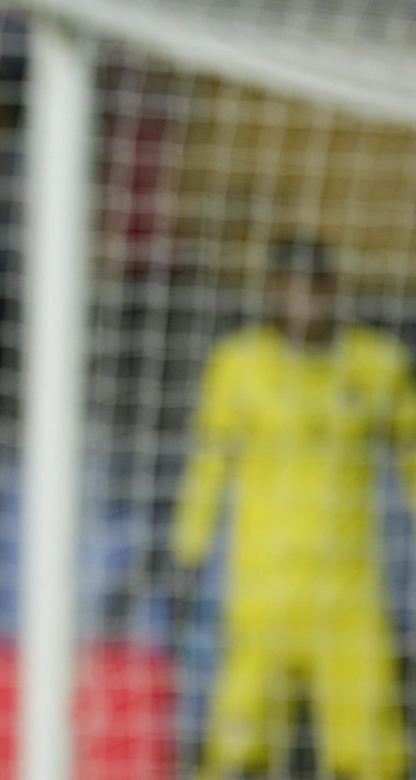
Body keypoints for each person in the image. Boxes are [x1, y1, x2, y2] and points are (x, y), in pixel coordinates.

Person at [172, 238, 414, 779]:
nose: (302, 300)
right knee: (237, 755)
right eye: (289, 287)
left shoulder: (377, 363)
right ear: (273, 292)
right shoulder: (239, 365)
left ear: (333, 289)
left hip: (350, 596)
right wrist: (188, 553)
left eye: (313, 287)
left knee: (374, 755)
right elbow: (209, 468)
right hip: (262, 595)